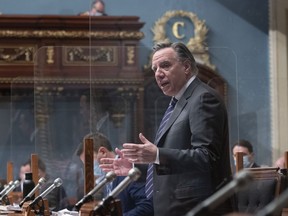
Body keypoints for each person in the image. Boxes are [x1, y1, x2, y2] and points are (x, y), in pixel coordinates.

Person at [101, 42, 235, 216]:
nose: (158, 73)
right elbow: (174, 160)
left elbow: (206, 157)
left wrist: (156, 154)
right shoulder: (178, 102)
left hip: (198, 208)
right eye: (155, 68)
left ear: (186, 66)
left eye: (165, 65)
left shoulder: (203, 98)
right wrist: (135, 169)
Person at [83, 132, 154, 216]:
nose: (89, 167)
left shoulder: (128, 170)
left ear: (102, 152)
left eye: (89, 162)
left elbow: (147, 206)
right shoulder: (107, 178)